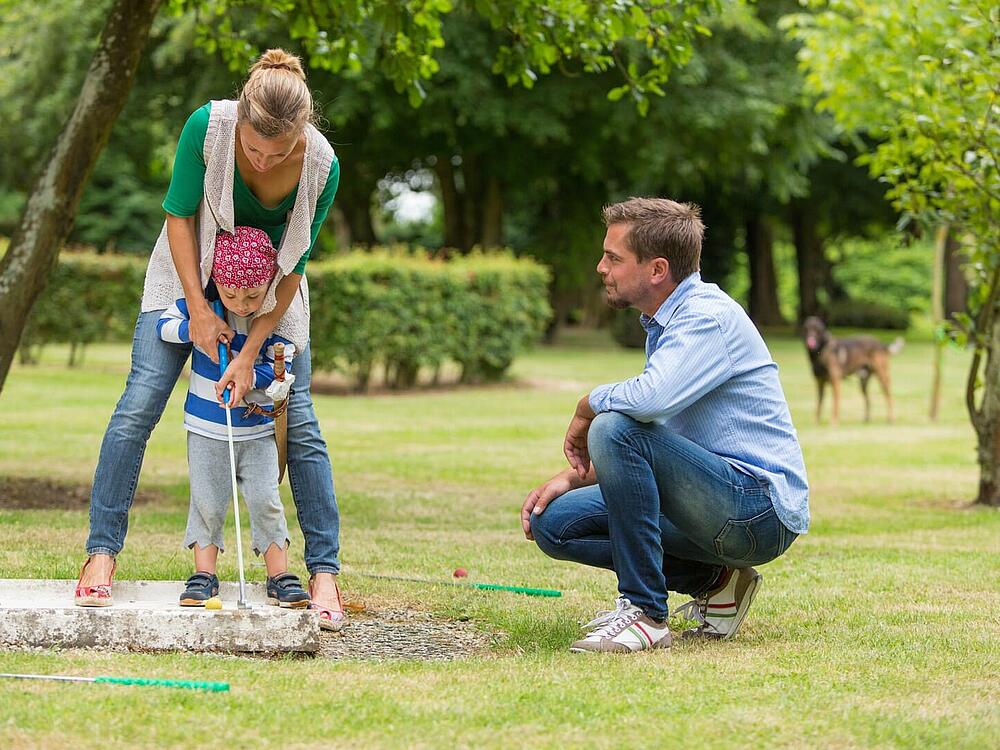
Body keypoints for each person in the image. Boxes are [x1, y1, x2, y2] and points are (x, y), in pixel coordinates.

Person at [76, 48, 345, 630]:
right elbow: (178, 215)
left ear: (303, 132)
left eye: (280, 152)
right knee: (139, 405)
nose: (265, 160)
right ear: (241, 120)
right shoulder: (209, 125)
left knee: (298, 420)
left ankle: (323, 573)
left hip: (271, 295)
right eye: (254, 148)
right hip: (187, 276)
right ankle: (101, 553)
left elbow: (294, 266)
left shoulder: (323, 166)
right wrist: (198, 312)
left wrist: (251, 352)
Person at [520, 197, 809, 653]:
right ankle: (718, 583)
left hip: (757, 509)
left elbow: (644, 407)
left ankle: (646, 614)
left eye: (613, 258)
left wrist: (586, 404)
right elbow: (663, 441)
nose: (600, 267)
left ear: (657, 270)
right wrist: (574, 478)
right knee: (556, 524)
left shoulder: (704, 319)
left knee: (612, 423)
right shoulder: (665, 322)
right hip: (712, 499)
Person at [158, 226, 309, 608]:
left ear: (267, 287)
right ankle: (204, 575)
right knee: (207, 501)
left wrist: (248, 376)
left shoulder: (273, 318)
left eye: (252, 296)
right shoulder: (204, 307)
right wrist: (198, 328)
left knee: (265, 500)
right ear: (218, 285)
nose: (241, 304)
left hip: (256, 431)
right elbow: (164, 326)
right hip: (207, 428)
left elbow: (283, 365)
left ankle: (279, 575)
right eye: (231, 295)